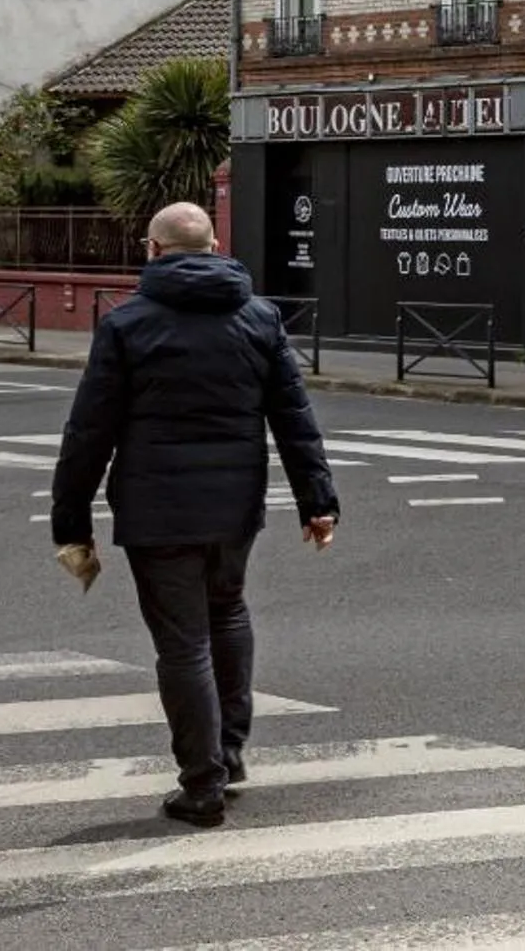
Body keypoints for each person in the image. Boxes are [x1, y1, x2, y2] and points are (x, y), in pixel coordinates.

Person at [50, 202, 339, 828]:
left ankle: (201, 784)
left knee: (183, 644)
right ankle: (229, 755)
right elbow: (294, 416)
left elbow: (88, 432)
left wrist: (70, 524)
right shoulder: (259, 317)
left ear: (152, 250)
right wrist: (318, 501)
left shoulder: (127, 324)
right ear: (214, 246)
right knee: (228, 612)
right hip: (235, 507)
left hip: (158, 511)